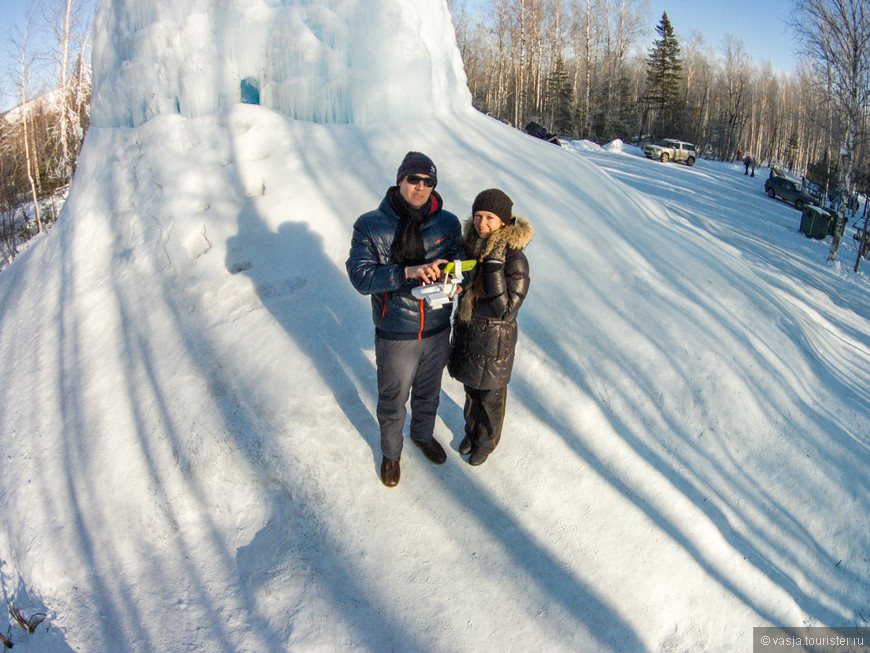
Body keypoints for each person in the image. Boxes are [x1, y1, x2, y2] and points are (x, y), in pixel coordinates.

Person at [346, 152, 465, 487]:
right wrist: (407, 272)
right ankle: (391, 454)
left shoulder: (448, 223)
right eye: (414, 179)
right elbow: (361, 277)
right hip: (397, 331)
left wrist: (457, 283)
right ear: (400, 180)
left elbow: (462, 262)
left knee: (429, 393)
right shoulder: (370, 224)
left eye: (428, 182)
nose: (420, 187)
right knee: (393, 400)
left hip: (439, 326)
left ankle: (422, 435)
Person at [447, 189, 533, 466]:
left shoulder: (514, 258)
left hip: (495, 343)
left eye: (490, 218)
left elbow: (505, 310)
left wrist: (494, 266)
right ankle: (471, 434)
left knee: (490, 400)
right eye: (478, 216)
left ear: (504, 222)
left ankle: (487, 442)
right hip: (470, 336)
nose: (482, 223)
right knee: (471, 393)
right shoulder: (472, 247)